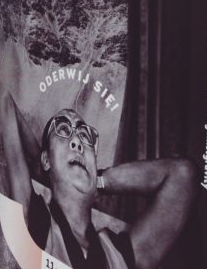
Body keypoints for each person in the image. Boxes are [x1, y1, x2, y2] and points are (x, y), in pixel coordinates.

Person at [28, 109, 198, 268]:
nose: (77, 142)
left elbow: (183, 174)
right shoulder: (34, 220)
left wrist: (98, 181)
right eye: (63, 131)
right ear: (46, 160)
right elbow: (10, 113)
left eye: (84, 135)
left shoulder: (116, 255)